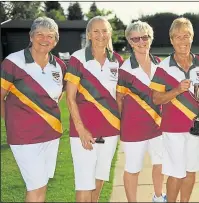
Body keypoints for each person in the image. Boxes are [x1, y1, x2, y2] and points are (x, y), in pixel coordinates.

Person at [0, 17, 66, 202]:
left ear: (55, 40)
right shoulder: (13, 62)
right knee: (35, 186)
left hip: (52, 134)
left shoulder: (59, 66)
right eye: (40, 35)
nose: (45, 39)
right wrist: (12, 123)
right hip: (24, 137)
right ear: (31, 36)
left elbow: (57, 95)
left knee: (41, 185)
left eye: (50, 36)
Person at [64, 16, 124, 202]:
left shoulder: (118, 60)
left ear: (110, 34)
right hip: (84, 132)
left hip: (111, 130)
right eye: (96, 31)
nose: (101, 35)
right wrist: (81, 129)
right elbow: (70, 97)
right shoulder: (78, 58)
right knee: (84, 182)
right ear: (89, 34)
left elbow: (121, 97)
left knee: (99, 180)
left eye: (104, 31)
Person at [150, 17, 199, 202]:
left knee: (191, 171)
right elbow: (156, 97)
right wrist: (177, 90)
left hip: (196, 127)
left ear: (192, 37)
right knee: (176, 173)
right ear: (171, 40)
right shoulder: (163, 67)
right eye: (178, 37)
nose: (183, 41)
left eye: (186, 36)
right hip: (173, 129)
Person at [116, 20, 166, 202]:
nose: (141, 42)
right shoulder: (125, 69)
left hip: (158, 125)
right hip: (133, 128)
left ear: (150, 39)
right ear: (130, 41)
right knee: (132, 169)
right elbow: (119, 100)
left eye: (144, 37)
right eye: (136, 39)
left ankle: (159, 197)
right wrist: (123, 124)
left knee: (160, 165)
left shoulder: (160, 64)